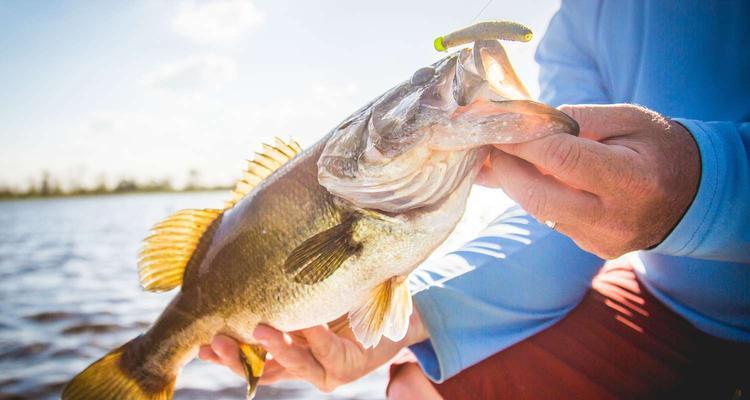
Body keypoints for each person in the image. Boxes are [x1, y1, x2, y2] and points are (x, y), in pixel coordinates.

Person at [199, 1, 750, 398]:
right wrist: (408, 324)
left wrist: (708, 189)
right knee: (416, 384)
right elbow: (559, 218)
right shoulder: (577, 25)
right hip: (675, 308)